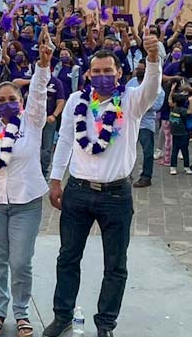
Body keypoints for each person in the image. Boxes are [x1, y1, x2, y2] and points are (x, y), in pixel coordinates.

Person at [44, 35, 162, 337]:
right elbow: (65, 140)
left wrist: (152, 59)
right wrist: (55, 180)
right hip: (78, 191)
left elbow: (151, 88)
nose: (102, 76)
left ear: (119, 73)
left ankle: (105, 323)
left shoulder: (132, 101)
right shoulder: (76, 101)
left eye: (108, 71)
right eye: (96, 71)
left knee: (115, 265)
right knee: (68, 257)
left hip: (116, 195)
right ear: (88, 74)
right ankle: (62, 315)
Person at [0, 33, 52, 337]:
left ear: (21, 102)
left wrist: (42, 65)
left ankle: (21, 312)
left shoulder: (32, 123)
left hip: (26, 203)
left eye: (12, 99)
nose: (6, 104)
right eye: (1, 100)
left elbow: (39, 94)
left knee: (20, 261)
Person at [128, 61, 164, 188]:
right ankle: (126, 174)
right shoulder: (132, 82)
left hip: (146, 123)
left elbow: (157, 105)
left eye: (142, 69)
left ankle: (146, 177)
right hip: (131, 121)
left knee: (147, 152)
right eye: (138, 68)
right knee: (128, 149)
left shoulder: (156, 87)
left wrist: (140, 103)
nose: (139, 71)